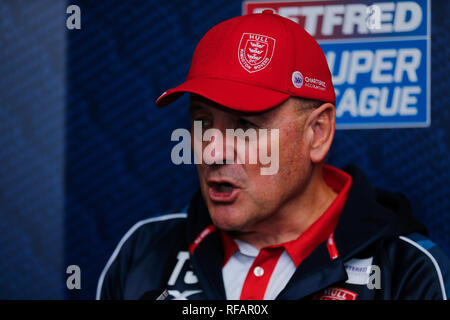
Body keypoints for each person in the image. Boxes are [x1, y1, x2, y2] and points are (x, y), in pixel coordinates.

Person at [96, 11, 449, 300]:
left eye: (246, 126)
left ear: (318, 133)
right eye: (202, 121)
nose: (213, 150)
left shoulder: (407, 270)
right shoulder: (144, 252)